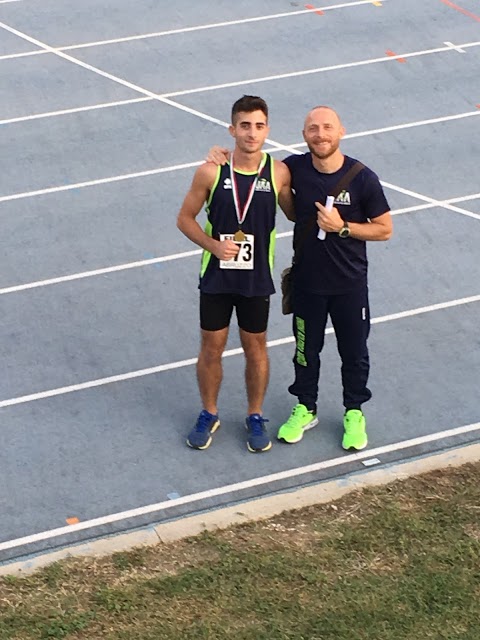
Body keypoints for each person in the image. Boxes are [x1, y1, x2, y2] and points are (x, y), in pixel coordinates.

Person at [207, 105, 392, 451]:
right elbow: (253, 163)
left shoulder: (364, 178)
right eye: (313, 129)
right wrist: (221, 154)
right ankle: (306, 407)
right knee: (306, 352)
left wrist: (344, 228)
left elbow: (385, 229)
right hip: (307, 284)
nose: (320, 135)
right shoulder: (292, 168)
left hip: (350, 286)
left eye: (327, 128)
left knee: (354, 352)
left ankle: (354, 411)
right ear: (304, 135)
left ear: (341, 132)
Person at [176, 95, 293, 453]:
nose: (252, 133)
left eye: (259, 126)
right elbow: (184, 219)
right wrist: (212, 246)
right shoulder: (211, 171)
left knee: (255, 347)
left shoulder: (279, 172)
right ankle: (209, 412)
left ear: (268, 130)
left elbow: (295, 213)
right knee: (212, 346)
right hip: (217, 276)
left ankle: (255, 415)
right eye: (245, 125)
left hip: (256, 279)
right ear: (232, 129)